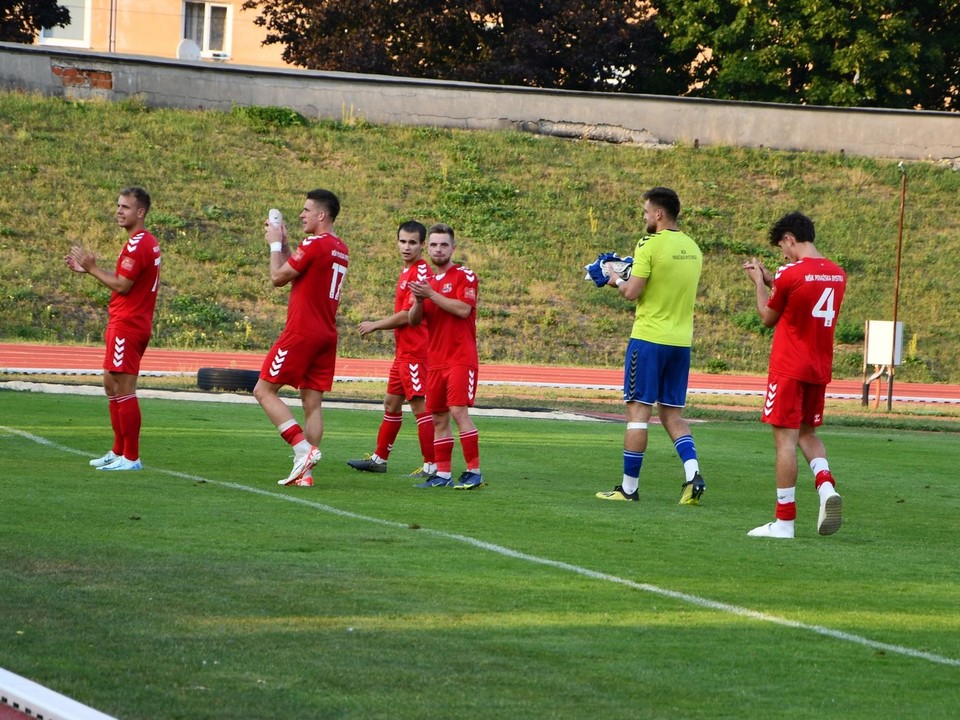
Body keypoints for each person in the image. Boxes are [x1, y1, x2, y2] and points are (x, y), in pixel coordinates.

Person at [595, 186, 706, 504]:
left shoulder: (649, 244)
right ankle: (692, 475)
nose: (644, 216)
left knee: (637, 413)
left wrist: (613, 277)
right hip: (680, 342)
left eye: (646, 211)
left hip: (648, 339)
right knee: (673, 414)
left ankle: (629, 488)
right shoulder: (692, 247)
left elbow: (632, 292)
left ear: (659, 214)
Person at [743, 211, 846, 539]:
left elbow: (767, 316)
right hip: (818, 367)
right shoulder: (837, 273)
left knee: (784, 440)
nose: (782, 255)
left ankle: (784, 521)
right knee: (807, 433)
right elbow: (802, 292)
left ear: (789, 238)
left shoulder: (789, 273)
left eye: (782, 247)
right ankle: (826, 486)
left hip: (789, 367)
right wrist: (776, 281)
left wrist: (760, 283)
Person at [252, 189, 349, 487]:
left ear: (322, 215)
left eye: (307, 210)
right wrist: (286, 244)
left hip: (302, 331)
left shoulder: (315, 244)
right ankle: (305, 474)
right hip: (326, 333)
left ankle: (302, 449)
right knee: (312, 403)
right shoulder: (340, 247)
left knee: (263, 390)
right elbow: (301, 268)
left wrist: (274, 245)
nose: (301, 214)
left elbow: (278, 277)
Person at [66, 186, 161, 472]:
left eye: (126, 207)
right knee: (111, 385)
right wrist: (90, 271)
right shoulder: (142, 241)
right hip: (124, 321)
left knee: (124, 388)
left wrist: (93, 268)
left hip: (128, 324)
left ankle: (131, 457)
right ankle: (118, 451)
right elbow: (123, 280)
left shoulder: (138, 244)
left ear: (140, 212)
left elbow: (122, 284)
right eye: (118, 206)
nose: (119, 211)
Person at [347, 221, 436, 479]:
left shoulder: (420, 273)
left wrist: (375, 325)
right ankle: (379, 459)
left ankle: (432, 466)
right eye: (402, 241)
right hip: (403, 353)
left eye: (412, 242)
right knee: (391, 403)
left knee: (419, 405)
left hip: (416, 351)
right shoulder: (407, 271)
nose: (406, 247)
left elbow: (408, 316)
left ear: (422, 245)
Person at [407, 223, 484, 490]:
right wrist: (418, 300)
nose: (438, 249)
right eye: (434, 245)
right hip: (435, 360)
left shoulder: (465, 275)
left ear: (453, 248)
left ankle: (474, 471)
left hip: (460, 357)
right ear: (427, 248)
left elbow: (463, 309)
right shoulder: (426, 283)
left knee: (457, 411)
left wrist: (431, 295)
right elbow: (414, 321)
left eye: (443, 245)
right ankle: (442, 474)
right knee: (438, 416)